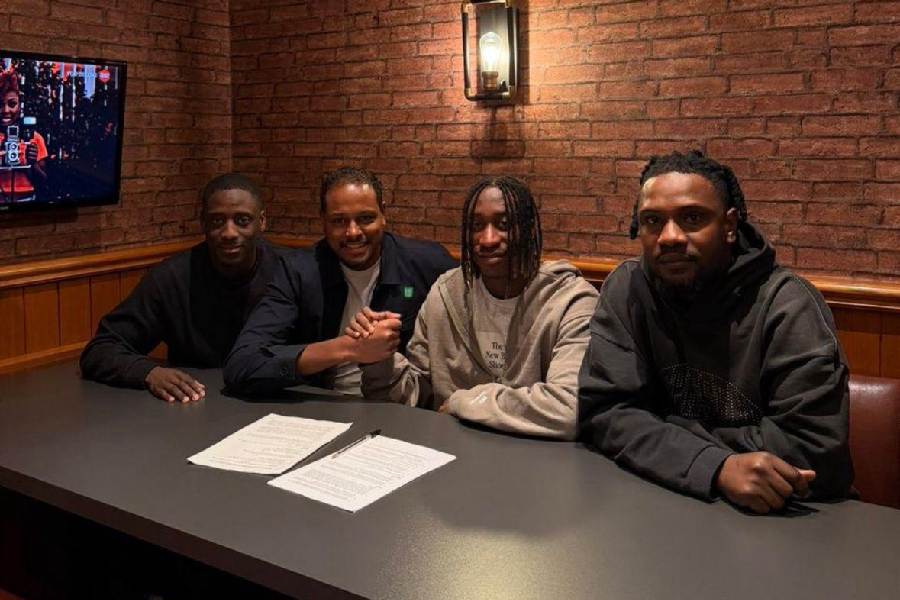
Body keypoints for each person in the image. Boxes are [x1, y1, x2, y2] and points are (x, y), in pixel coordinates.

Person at [577, 150, 853, 513]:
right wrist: (716, 466)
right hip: (659, 501)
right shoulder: (627, 288)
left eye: (692, 218)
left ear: (729, 226)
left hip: (786, 515)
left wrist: (658, 430)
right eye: (653, 221)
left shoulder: (787, 305)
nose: (669, 236)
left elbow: (812, 450)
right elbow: (604, 413)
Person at [357, 176, 598, 439]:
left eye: (504, 225)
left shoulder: (571, 301)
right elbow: (417, 395)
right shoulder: (444, 296)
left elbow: (569, 408)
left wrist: (464, 403)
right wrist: (379, 360)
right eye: (476, 226)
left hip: (538, 456)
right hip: (452, 451)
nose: (488, 239)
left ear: (529, 230)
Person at [223, 167, 456, 396]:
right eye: (339, 221)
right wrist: (348, 348)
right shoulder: (298, 271)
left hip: (401, 405)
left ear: (383, 214)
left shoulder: (427, 264)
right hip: (323, 404)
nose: (353, 232)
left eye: (365, 218)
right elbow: (242, 365)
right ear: (323, 221)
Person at [80, 173, 283, 403]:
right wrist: (149, 372)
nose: (229, 232)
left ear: (262, 221)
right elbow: (100, 349)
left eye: (242, 220)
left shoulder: (289, 272)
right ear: (203, 223)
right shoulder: (171, 277)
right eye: (217, 221)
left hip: (276, 399)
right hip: (196, 403)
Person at [0, 68, 47, 203]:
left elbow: (44, 182)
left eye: (12, 104)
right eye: (0, 104)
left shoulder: (34, 138)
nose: (6, 110)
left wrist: (33, 164)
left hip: (26, 205)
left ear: (20, 105)